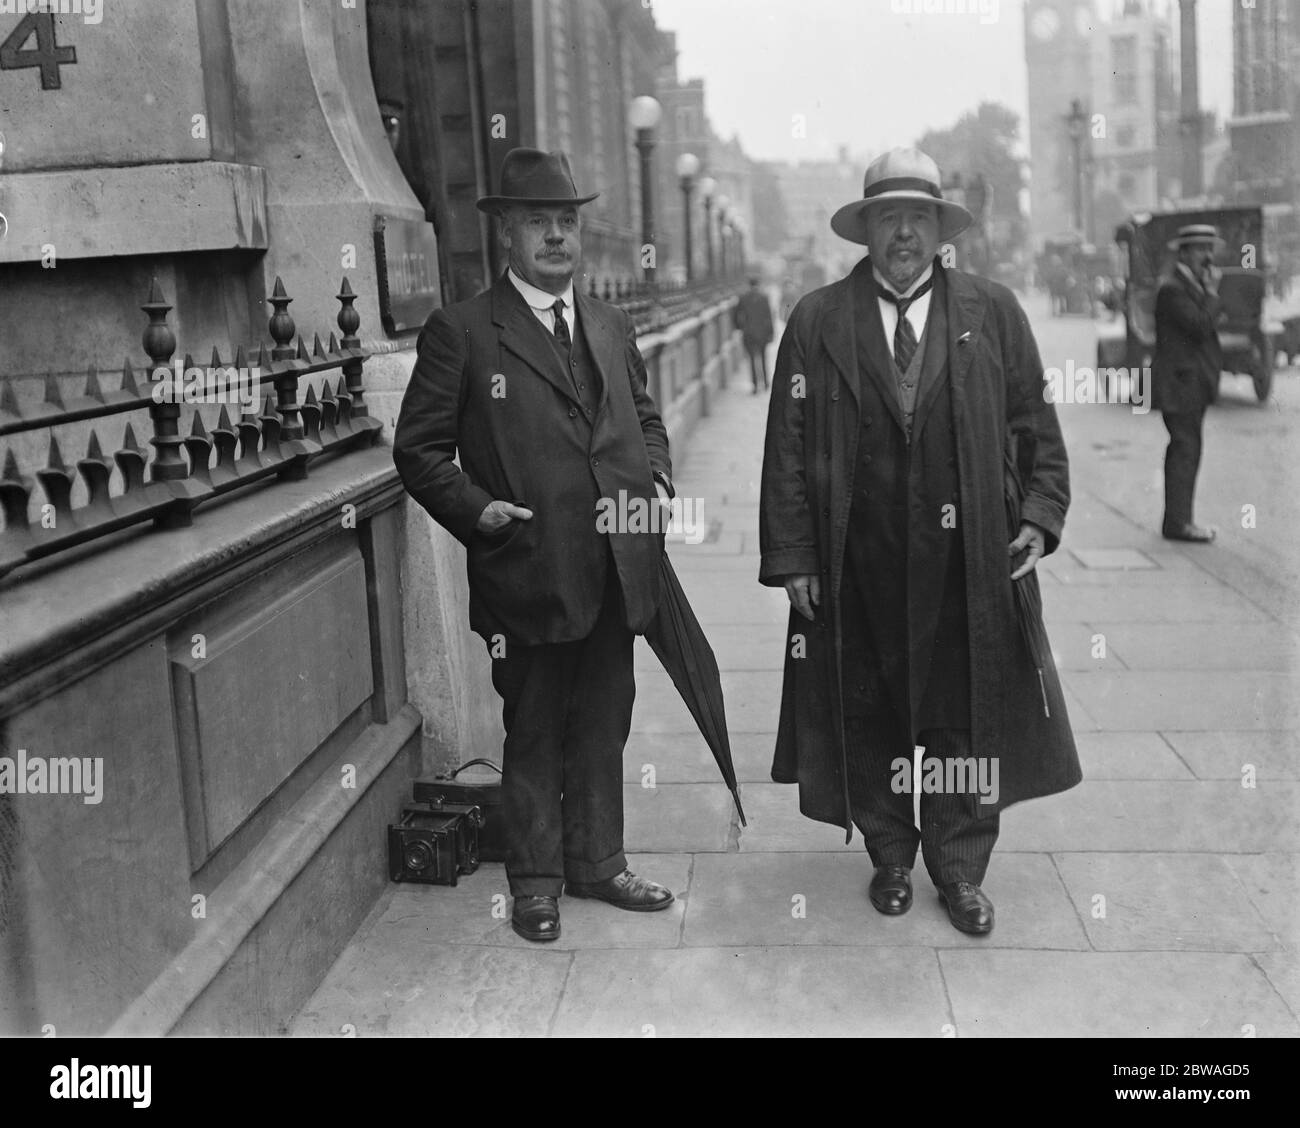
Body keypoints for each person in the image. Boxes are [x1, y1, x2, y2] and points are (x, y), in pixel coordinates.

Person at [758, 148, 1080, 936]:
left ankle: (960, 866)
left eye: (919, 218)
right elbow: (787, 448)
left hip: (967, 563)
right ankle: (891, 853)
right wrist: (795, 556)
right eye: (888, 217)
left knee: (965, 711)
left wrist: (1038, 514)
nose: (904, 232)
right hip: (855, 561)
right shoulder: (817, 320)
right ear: (866, 230)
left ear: (940, 229)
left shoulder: (991, 312)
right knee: (868, 709)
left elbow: (1034, 422)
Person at [393, 148, 676, 943]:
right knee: (537, 724)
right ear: (507, 236)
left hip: (616, 567)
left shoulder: (611, 323)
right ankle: (536, 883)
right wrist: (477, 512)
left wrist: (654, 472)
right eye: (539, 223)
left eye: (567, 222)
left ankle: (599, 864)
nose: (557, 237)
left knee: (605, 719)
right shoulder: (463, 332)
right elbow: (417, 450)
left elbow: (642, 416)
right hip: (528, 568)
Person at [1152, 224, 1225, 543]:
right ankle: (1180, 524)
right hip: (1181, 384)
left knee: (1186, 450)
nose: (1207, 256)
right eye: (1200, 249)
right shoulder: (1173, 288)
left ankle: (1178, 520)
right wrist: (1211, 294)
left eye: (1210, 248)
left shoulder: (1187, 285)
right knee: (1185, 450)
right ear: (1183, 253)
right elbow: (1200, 326)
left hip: (1190, 383)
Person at [734, 276, 775, 393]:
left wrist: (740, 327)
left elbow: (736, 314)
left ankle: (755, 385)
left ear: (749, 285)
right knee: (763, 358)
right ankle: (766, 382)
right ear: (758, 284)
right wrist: (771, 332)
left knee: (752, 359)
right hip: (763, 333)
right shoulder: (764, 297)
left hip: (749, 333)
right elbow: (769, 316)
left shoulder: (743, 298)